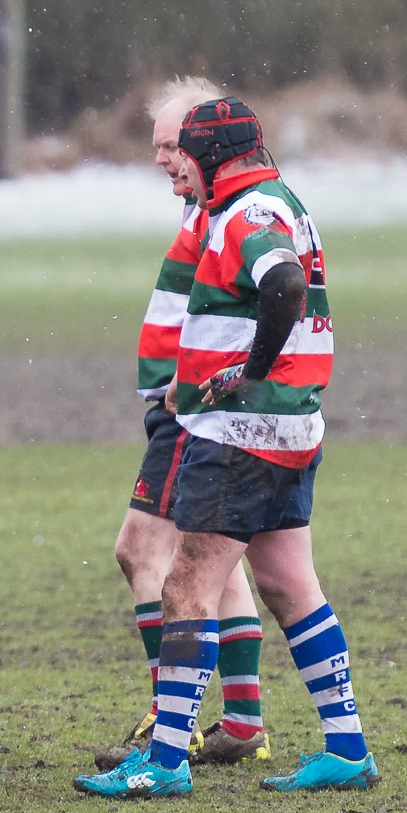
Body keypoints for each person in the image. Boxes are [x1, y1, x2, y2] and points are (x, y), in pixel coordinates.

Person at [77, 96, 376, 797]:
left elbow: (284, 283)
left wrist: (248, 371)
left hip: (242, 434)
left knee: (187, 585)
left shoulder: (249, 212)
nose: (177, 164)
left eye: (186, 152)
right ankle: (347, 748)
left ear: (212, 156)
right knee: (287, 584)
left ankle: (167, 761)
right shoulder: (275, 199)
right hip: (291, 428)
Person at [91, 78, 278, 771]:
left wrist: (202, 378)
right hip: (192, 408)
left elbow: (260, 300)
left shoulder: (231, 213)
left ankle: (171, 719)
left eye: (175, 144)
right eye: (159, 147)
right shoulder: (209, 208)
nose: (167, 159)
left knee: (142, 551)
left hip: (194, 411)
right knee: (221, 566)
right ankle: (241, 719)